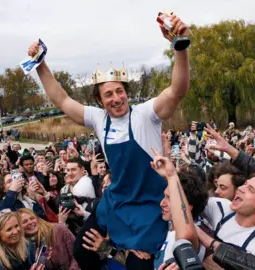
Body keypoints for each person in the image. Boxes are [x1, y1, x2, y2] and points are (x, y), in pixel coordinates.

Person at [28, 13, 191, 268]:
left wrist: (180, 47)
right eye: (108, 94)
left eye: (120, 91)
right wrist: (40, 64)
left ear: (127, 92)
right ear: (99, 100)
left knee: (140, 266)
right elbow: (61, 99)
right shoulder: (97, 118)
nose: (116, 98)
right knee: (82, 251)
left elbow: (177, 90)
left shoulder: (146, 114)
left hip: (147, 206)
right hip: (115, 202)